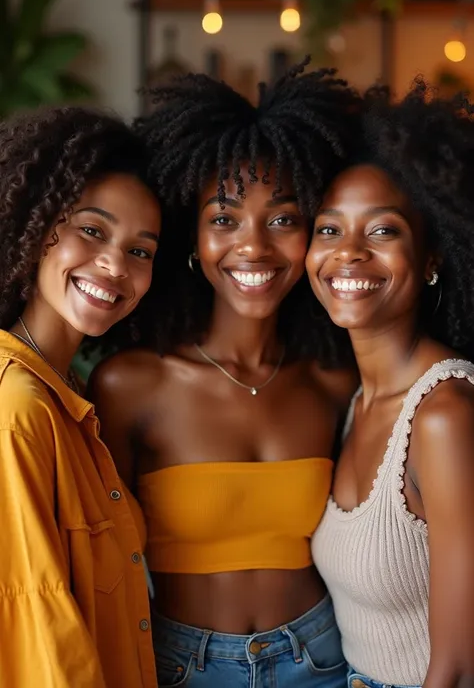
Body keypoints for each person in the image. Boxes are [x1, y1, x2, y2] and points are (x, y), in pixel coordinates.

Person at [89, 59, 358, 688]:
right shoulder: (131, 385)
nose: (255, 245)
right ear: (193, 238)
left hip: (321, 656)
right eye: (224, 218)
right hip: (181, 664)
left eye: (284, 219)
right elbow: (103, 560)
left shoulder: (334, 382)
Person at [307, 81, 474, 688]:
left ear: (432, 258)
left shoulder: (444, 414)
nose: (347, 253)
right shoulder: (356, 399)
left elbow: (459, 666)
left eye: (382, 231)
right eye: (328, 230)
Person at [0, 106, 162, 688]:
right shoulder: (19, 408)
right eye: (91, 231)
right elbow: (36, 628)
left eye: (141, 251)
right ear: (38, 224)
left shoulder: (67, 392)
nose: (115, 265)